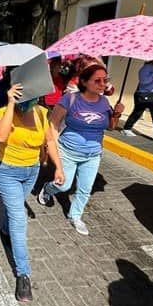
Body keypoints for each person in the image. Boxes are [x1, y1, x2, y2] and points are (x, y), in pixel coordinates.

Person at [0, 84, 65, 302]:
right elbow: (0, 136)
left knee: (14, 210)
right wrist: (11, 104)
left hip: (32, 171)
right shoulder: (4, 113)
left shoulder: (43, 113)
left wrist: (59, 167)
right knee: (19, 217)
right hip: (7, 172)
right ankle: (23, 274)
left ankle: (5, 230)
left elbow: (50, 141)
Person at [38, 64, 124, 236]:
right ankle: (48, 189)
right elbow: (53, 125)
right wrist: (50, 148)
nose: (103, 84)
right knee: (64, 186)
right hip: (68, 151)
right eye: (98, 80)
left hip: (93, 154)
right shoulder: (70, 99)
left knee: (85, 189)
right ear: (84, 82)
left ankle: (75, 216)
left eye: (105, 80)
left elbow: (110, 127)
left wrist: (116, 114)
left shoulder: (104, 102)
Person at [121, 59, 153, 143]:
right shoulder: (146, 68)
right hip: (145, 94)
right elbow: (143, 80)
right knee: (138, 113)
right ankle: (126, 128)